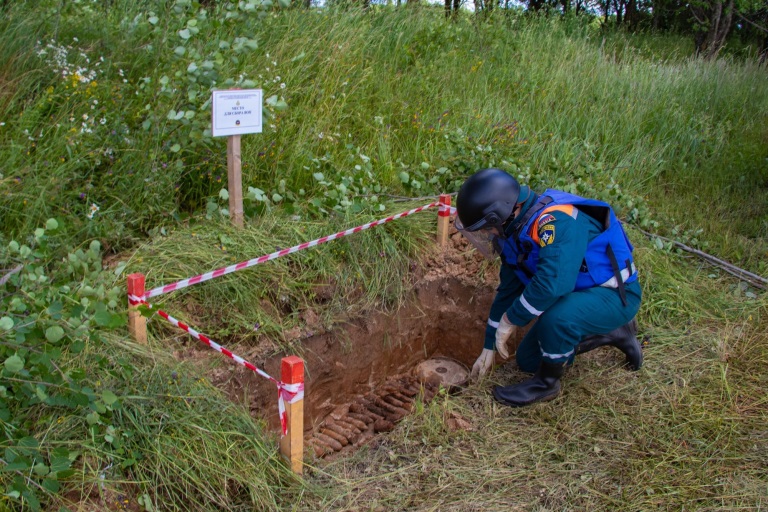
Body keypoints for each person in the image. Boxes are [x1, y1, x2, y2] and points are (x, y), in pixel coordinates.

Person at [455, 168, 643, 407]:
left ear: (501, 214)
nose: (487, 234)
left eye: (487, 228)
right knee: (529, 360)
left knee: (557, 319)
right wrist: (489, 344)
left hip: (613, 294)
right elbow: (508, 292)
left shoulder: (557, 221)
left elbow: (552, 285)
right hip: (579, 296)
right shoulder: (514, 232)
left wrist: (511, 320)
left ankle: (546, 384)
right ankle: (615, 333)